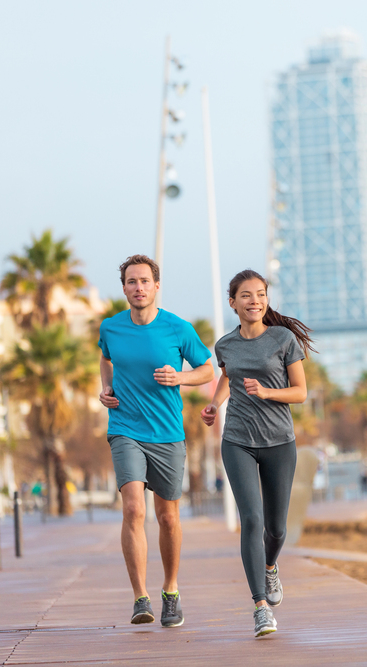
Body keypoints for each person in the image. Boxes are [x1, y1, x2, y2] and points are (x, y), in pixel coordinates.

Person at [98, 254, 214, 627]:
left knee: (167, 516)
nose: (138, 288)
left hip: (167, 433)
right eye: (131, 282)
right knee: (133, 509)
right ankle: (140, 597)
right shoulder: (110, 327)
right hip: (125, 428)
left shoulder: (177, 328)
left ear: (157, 285)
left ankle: (170, 590)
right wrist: (105, 386)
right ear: (124, 288)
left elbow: (207, 369)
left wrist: (180, 378)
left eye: (144, 281)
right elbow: (106, 358)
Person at [201, 269, 312, 638]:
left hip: (280, 442)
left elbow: (300, 392)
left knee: (276, 529)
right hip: (238, 442)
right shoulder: (226, 345)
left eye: (261, 294)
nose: (255, 301)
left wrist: (266, 392)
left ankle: (269, 566)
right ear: (232, 302)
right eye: (246, 295)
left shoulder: (282, 339)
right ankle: (260, 607)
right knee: (252, 519)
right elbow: (228, 376)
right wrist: (216, 406)